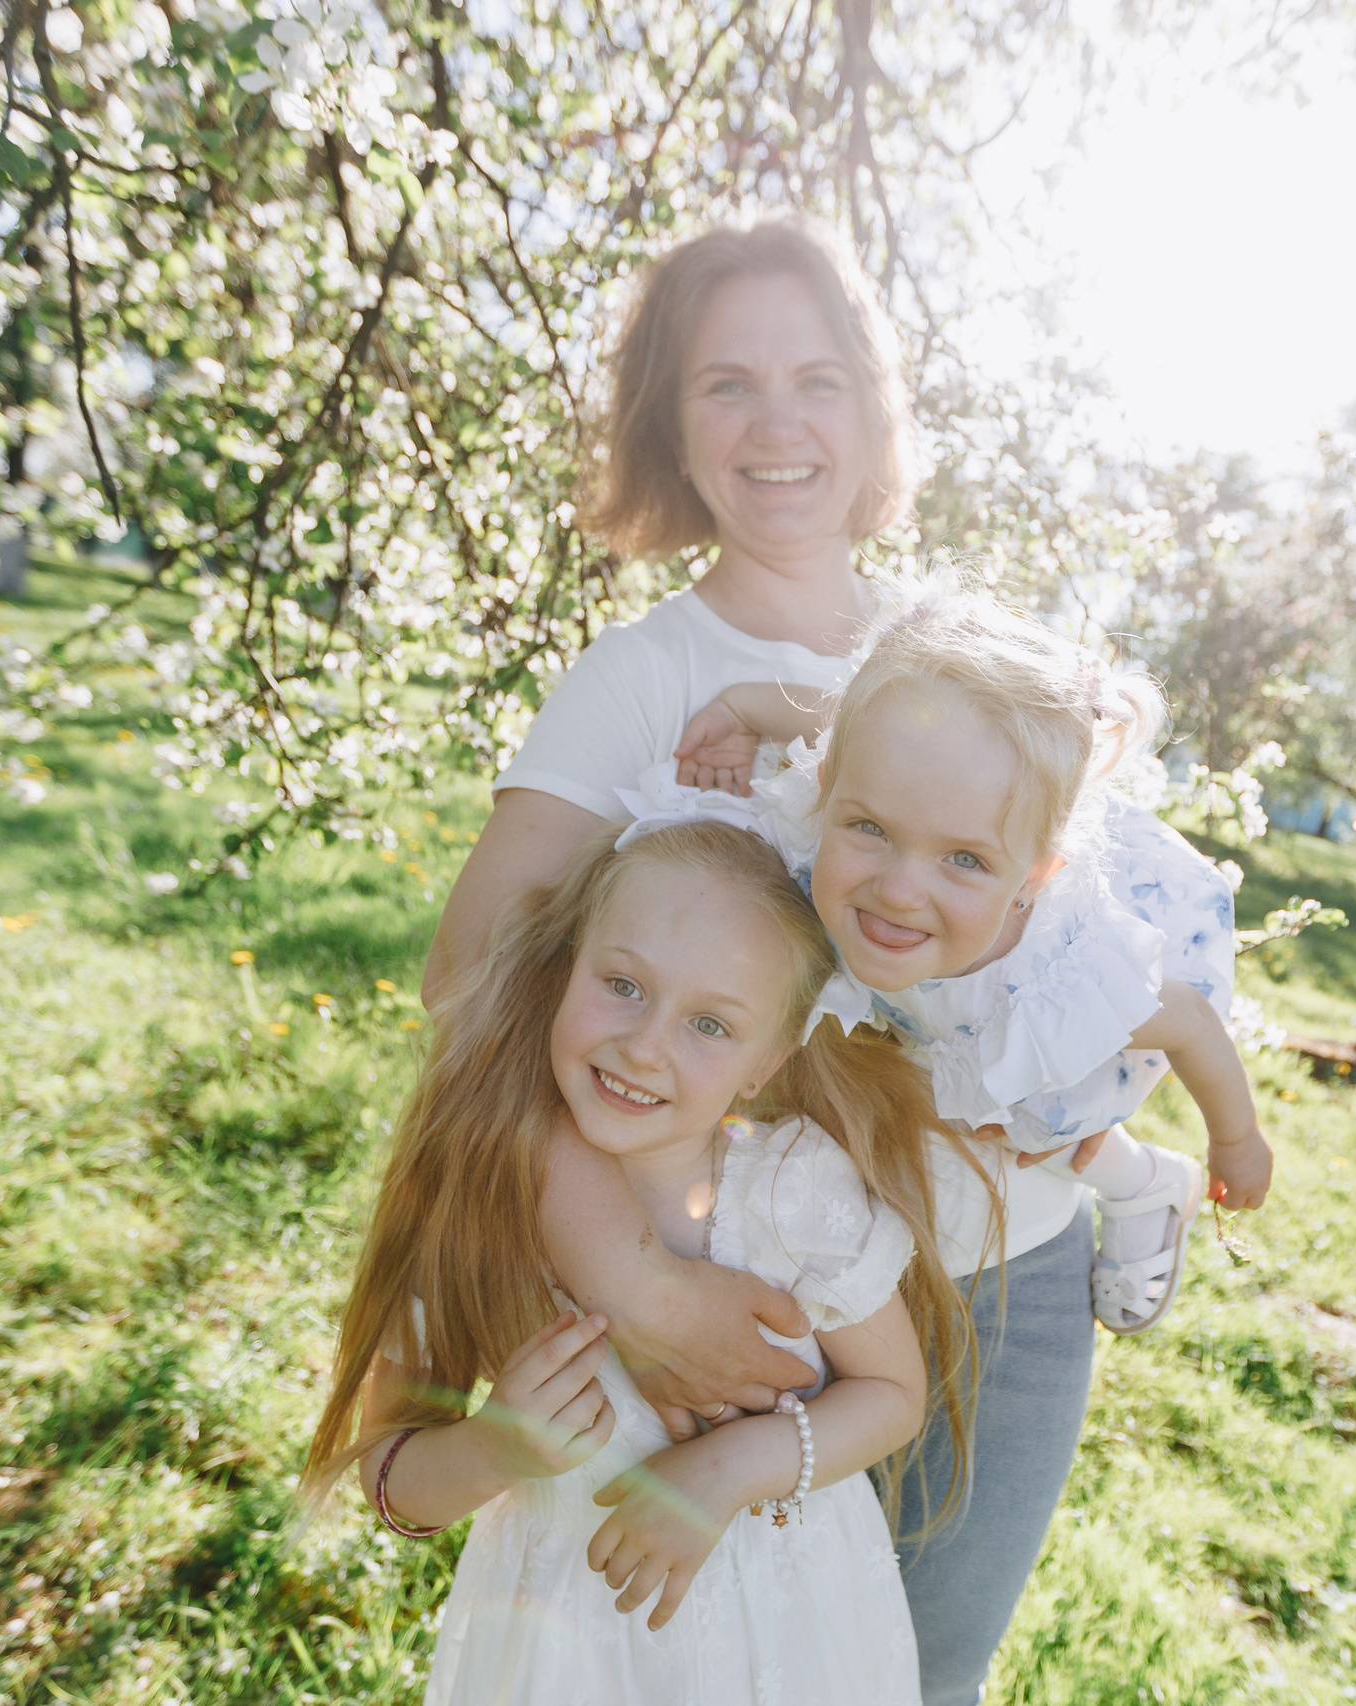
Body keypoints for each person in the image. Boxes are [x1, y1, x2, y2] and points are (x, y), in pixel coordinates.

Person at [423, 219, 1102, 1705]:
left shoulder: (961, 656)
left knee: (918, 1676)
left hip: (1011, 1274)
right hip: (746, 1289)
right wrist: (627, 1272)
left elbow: (1083, 914)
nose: (778, 423)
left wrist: (1106, 1081)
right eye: (725, 383)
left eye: (816, 378)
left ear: (874, 412)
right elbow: (467, 984)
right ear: (670, 422)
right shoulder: (641, 678)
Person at [304, 817, 981, 1703]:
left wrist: (727, 1470)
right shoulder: (479, 1200)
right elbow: (389, 1476)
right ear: (565, 969)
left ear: (764, 1062)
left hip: (789, 1629)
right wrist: (492, 1449)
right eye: (622, 984)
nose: (646, 1044)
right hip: (566, 1641)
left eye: (709, 1023)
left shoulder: (791, 1187)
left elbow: (893, 1397)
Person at [673, 589, 1278, 1336]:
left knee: (1022, 1121)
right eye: (869, 827)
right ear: (828, 791)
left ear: (1033, 875)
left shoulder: (1063, 975)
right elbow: (832, 714)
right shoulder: (845, 797)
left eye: (963, 858)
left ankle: (1143, 1184)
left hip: (1036, 997)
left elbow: (1189, 1024)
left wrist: (1237, 1140)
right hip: (945, 963)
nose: (898, 891)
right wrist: (738, 708)